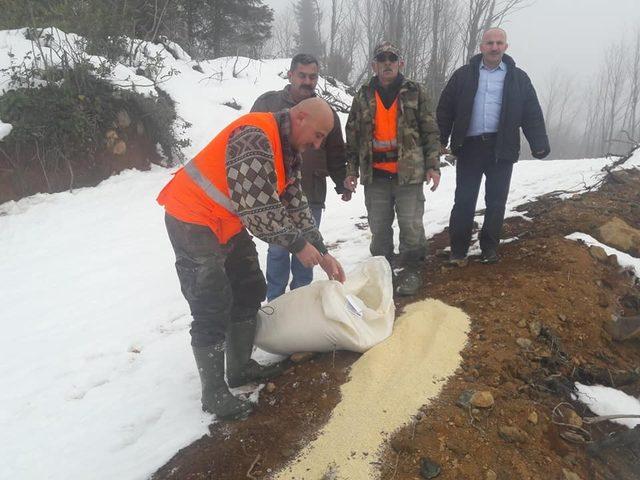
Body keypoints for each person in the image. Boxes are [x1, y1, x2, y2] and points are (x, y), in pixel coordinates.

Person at [157, 97, 346, 420]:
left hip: (225, 221)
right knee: (211, 301)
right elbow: (259, 210)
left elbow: (293, 202)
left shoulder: (287, 148)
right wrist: (297, 245)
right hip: (192, 216)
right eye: (317, 135)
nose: (317, 144)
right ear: (300, 117)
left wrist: (322, 250)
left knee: (249, 287)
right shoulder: (255, 136)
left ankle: (240, 367)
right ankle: (214, 392)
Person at [437, 27, 550, 266]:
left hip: (502, 147)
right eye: (490, 43)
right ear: (481, 47)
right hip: (469, 146)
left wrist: (539, 144)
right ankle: (458, 250)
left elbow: (531, 113)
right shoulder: (464, 75)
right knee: (464, 200)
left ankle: (489, 249)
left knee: (496, 202)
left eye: (499, 43)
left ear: (506, 47)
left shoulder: (518, 78)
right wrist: (440, 139)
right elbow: (445, 108)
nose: (494, 47)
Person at [343, 41, 440, 296]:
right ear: (374, 64)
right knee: (379, 228)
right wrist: (351, 170)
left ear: (400, 63)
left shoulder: (416, 92)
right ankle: (382, 272)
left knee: (411, 225)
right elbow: (351, 136)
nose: (387, 62)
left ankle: (411, 270)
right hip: (375, 175)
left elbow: (430, 131)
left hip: (408, 174)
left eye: (392, 58)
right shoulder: (362, 95)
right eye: (382, 58)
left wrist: (433, 165)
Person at [251, 53, 351, 301]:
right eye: (302, 75)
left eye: (313, 76)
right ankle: (275, 302)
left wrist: (342, 182)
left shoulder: (326, 112)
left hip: (311, 190)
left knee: (308, 253)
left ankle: (303, 301)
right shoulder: (268, 103)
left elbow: (336, 151)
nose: (307, 81)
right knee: (278, 250)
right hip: (274, 193)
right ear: (290, 75)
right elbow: (250, 139)